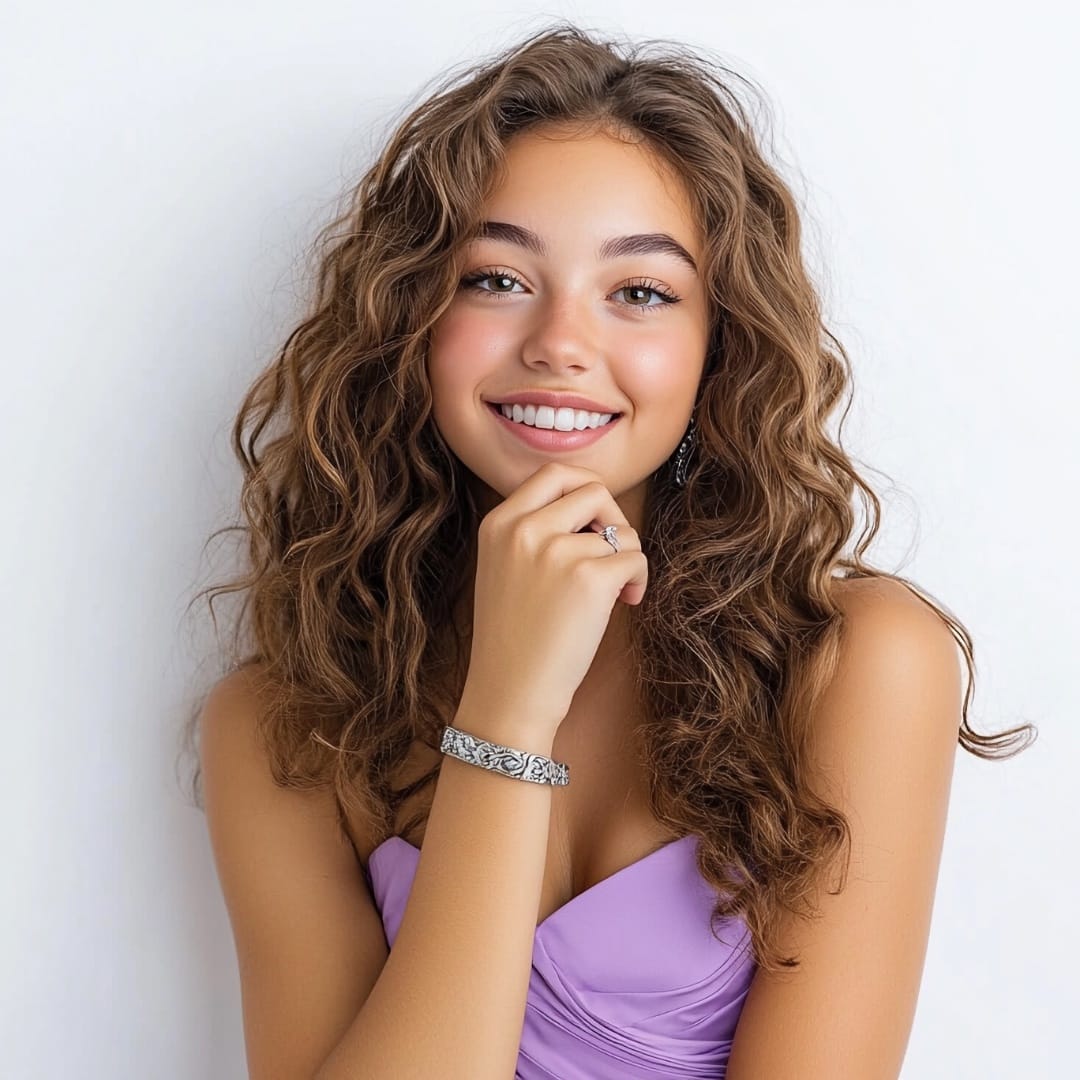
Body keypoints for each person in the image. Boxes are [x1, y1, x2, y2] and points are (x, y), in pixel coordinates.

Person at [189, 22, 1035, 1080]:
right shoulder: (286, 725)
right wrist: (507, 708)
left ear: (716, 346)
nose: (560, 342)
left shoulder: (857, 663)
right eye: (496, 278)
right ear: (411, 315)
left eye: (639, 292)